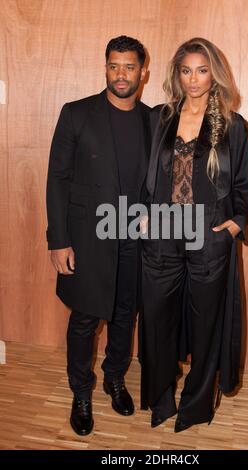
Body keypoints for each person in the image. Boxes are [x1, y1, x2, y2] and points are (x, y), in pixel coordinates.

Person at [139, 37, 248, 432]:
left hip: (209, 238)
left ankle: (196, 405)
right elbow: (144, 176)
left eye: (202, 70)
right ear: (176, 74)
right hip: (162, 236)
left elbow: (242, 187)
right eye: (186, 70)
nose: (193, 79)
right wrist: (142, 214)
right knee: (156, 318)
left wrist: (233, 226)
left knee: (206, 325)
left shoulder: (234, 126)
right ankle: (160, 398)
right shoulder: (159, 118)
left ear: (214, 74)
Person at [46, 36, 151, 435]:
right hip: (87, 239)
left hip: (133, 238)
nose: (120, 74)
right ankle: (81, 392)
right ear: (105, 68)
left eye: (128, 67)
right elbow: (57, 178)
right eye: (114, 66)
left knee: (126, 314)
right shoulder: (76, 114)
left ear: (142, 71)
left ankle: (115, 378)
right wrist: (58, 239)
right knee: (86, 317)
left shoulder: (152, 119)